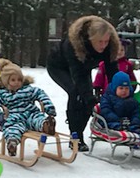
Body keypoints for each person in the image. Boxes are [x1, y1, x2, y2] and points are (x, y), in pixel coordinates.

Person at [47, 15, 121, 151]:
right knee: (77, 93)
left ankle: (79, 131)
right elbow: (78, 75)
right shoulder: (75, 44)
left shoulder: (110, 45)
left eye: (106, 41)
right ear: (90, 38)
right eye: (100, 42)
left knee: (88, 101)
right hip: (59, 66)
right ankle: (76, 137)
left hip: (84, 67)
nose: (103, 45)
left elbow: (113, 71)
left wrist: (118, 91)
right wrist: (88, 98)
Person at [0, 58, 57, 156]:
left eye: (20, 80)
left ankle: (46, 125)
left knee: (38, 119)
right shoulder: (0, 93)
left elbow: (41, 94)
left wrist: (49, 107)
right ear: (5, 81)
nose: (17, 82)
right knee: (13, 128)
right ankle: (12, 142)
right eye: (13, 80)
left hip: (31, 113)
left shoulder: (28, 89)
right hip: (15, 117)